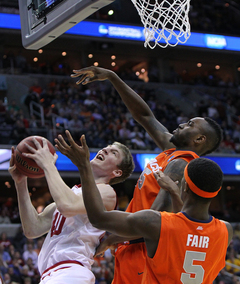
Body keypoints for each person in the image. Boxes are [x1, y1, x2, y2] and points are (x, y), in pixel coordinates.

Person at [71, 66, 223, 283]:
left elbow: (157, 216)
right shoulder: (172, 151)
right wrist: (113, 77)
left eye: (190, 125)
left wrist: (110, 239)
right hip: (130, 247)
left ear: (199, 140)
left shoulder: (181, 164)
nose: (181, 124)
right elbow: (144, 115)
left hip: (142, 251)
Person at [68, 135, 233, 283]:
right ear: (216, 193)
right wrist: (175, 195)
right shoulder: (226, 231)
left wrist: (84, 167)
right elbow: (190, 228)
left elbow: (98, 217)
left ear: (185, 188)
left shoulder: (160, 223)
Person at [8, 134, 134, 284]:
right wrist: (21, 183)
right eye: (106, 148)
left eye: (114, 153)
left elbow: (67, 206)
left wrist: (48, 165)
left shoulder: (107, 193)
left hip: (72, 270)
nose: (105, 150)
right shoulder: (72, 193)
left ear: (117, 172)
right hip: (50, 274)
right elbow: (32, 229)